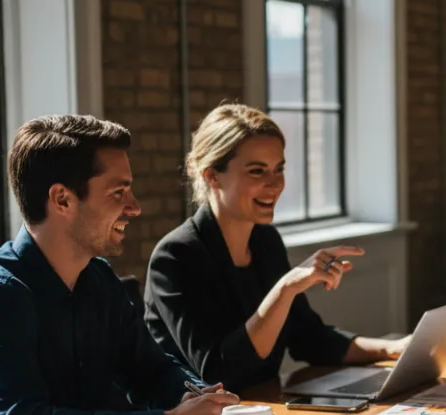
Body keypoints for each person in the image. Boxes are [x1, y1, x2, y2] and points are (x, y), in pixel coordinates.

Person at [0, 115, 238, 415]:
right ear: (62, 199)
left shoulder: (99, 280)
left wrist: (201, 398)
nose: (135, 207)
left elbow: (151, 370)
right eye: (118, 193)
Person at [144, 104, 408, 394]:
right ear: (212, 176)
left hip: (262, 408)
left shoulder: (265, 241)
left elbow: (311, 339)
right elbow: (219, 373)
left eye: (278, 169)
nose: (275, 184)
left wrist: (395, 348)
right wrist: (285, 289)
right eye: (257, 171)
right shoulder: (175, 256)